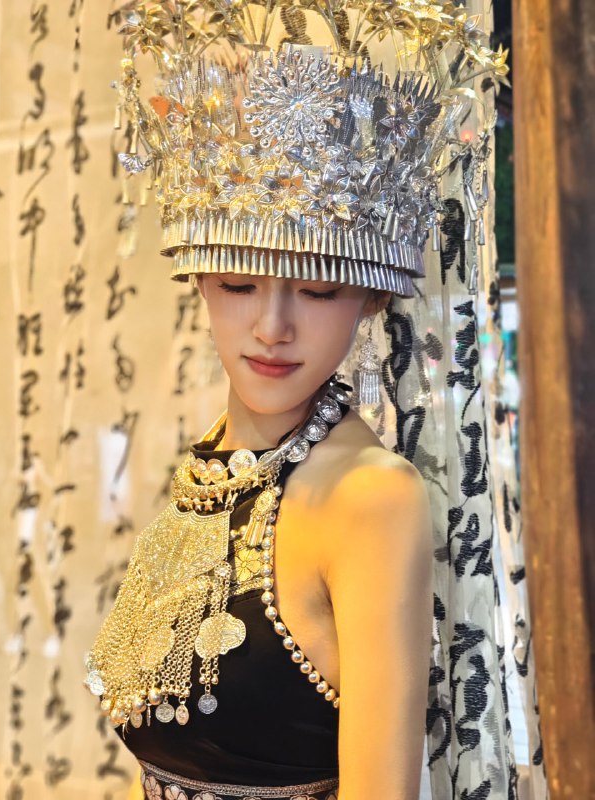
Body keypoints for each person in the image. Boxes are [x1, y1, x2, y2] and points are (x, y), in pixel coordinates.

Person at [87, 2, 508, 798]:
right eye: (238, 283)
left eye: (317, 290)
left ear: (371, 297)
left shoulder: (370, 498)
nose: (272, 328)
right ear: (198, 276)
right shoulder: (218, 458)